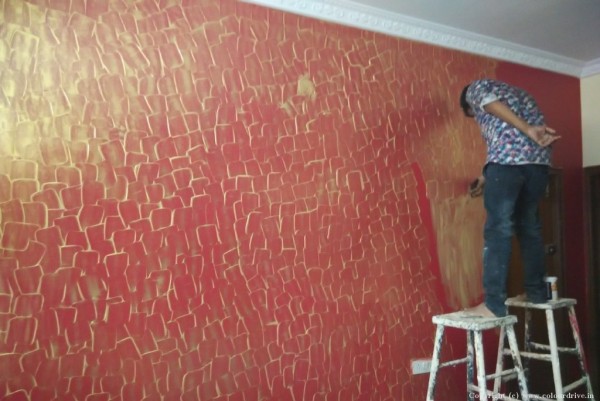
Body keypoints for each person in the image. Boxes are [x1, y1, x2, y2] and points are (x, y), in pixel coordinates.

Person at [459, 78, 560, 318]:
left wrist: (526, 129)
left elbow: (490, 105)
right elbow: (513, 146)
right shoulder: (523, 94)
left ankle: (493, 304)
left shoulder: (476, 88)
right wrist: (487, 176)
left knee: (498, 230)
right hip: (537, 166)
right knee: (529, 227)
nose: (478, 120)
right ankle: (536, 292)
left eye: (473, 115)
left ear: (468, 105)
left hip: (506, 166)